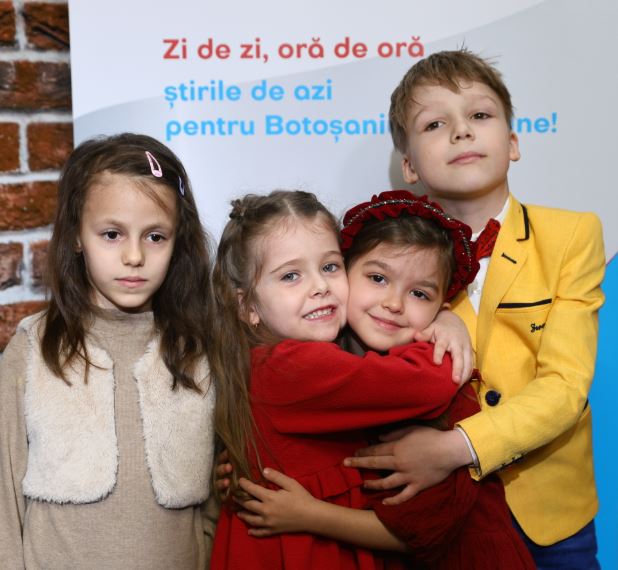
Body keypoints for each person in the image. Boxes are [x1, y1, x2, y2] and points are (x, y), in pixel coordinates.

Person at [344, 49, 606, 569]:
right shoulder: (382, 262)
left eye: (480, 115)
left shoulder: (572, 235)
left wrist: (452, 449)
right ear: (409, 165)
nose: (461, 131)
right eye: (435, 124)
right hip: (437, 512)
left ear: (513, 143)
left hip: (551, 517)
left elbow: (565, 386)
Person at [233, 190, 535, 570]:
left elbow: (420, 533)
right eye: (377, 278)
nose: (394, 303)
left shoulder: (448, 393)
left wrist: (448, 323)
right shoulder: (324, 363)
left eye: (419, 294)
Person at [0, 133, 217, 569]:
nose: (134, 256)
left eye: (155, 236)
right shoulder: (32, 348)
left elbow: (215, 499)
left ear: (178, 241)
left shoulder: (199, 350)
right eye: (112, 234)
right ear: (77, 235)